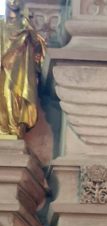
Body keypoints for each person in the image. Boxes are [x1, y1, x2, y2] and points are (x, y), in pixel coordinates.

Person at [0, 0, 46, 139]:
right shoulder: (1, 24)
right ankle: (4, 128)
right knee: (3, 95)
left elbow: (39, 48)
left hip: (20, 72)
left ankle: (16, 128)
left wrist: (31, 36)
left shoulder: (25, 24)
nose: (14, 1)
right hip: (3, 68)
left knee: (14, 94)